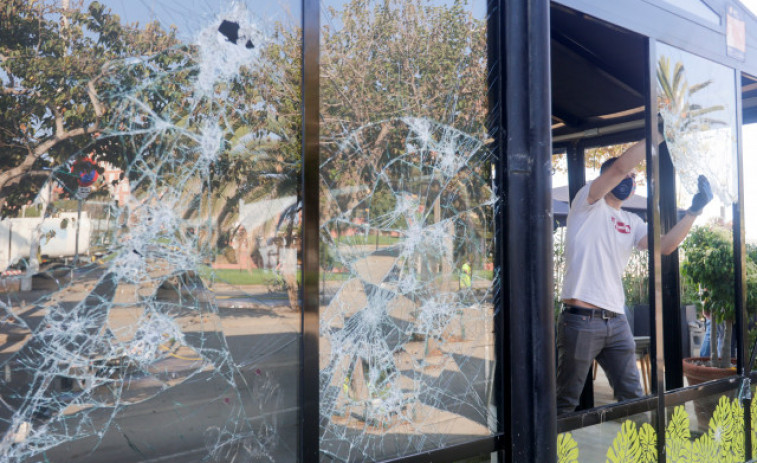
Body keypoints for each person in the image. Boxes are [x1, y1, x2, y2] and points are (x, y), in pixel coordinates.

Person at [556, 139, 713, 415]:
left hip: (617, 322)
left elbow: (666, 246)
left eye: (634, 178)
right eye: (627, 176)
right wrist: (657, 133)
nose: (630, 180)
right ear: (604, 179)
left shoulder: (632, 222)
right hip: (580, 320)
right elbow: (618, 167)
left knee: (635, 401)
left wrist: (694, 211)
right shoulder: (587, 201)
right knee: (564, 402)